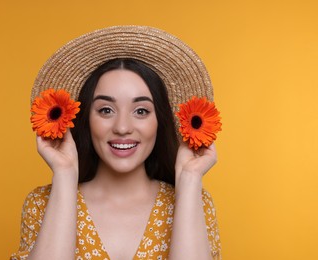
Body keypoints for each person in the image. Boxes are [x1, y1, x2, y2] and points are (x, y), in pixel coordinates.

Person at [11, 26, 221, 260]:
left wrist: (189, 179)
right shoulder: (41, 204)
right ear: (85, 119)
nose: (122, 127)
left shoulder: (195, 202)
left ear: (160, 121)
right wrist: (65, 173)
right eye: (106, 110)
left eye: (141, 111)